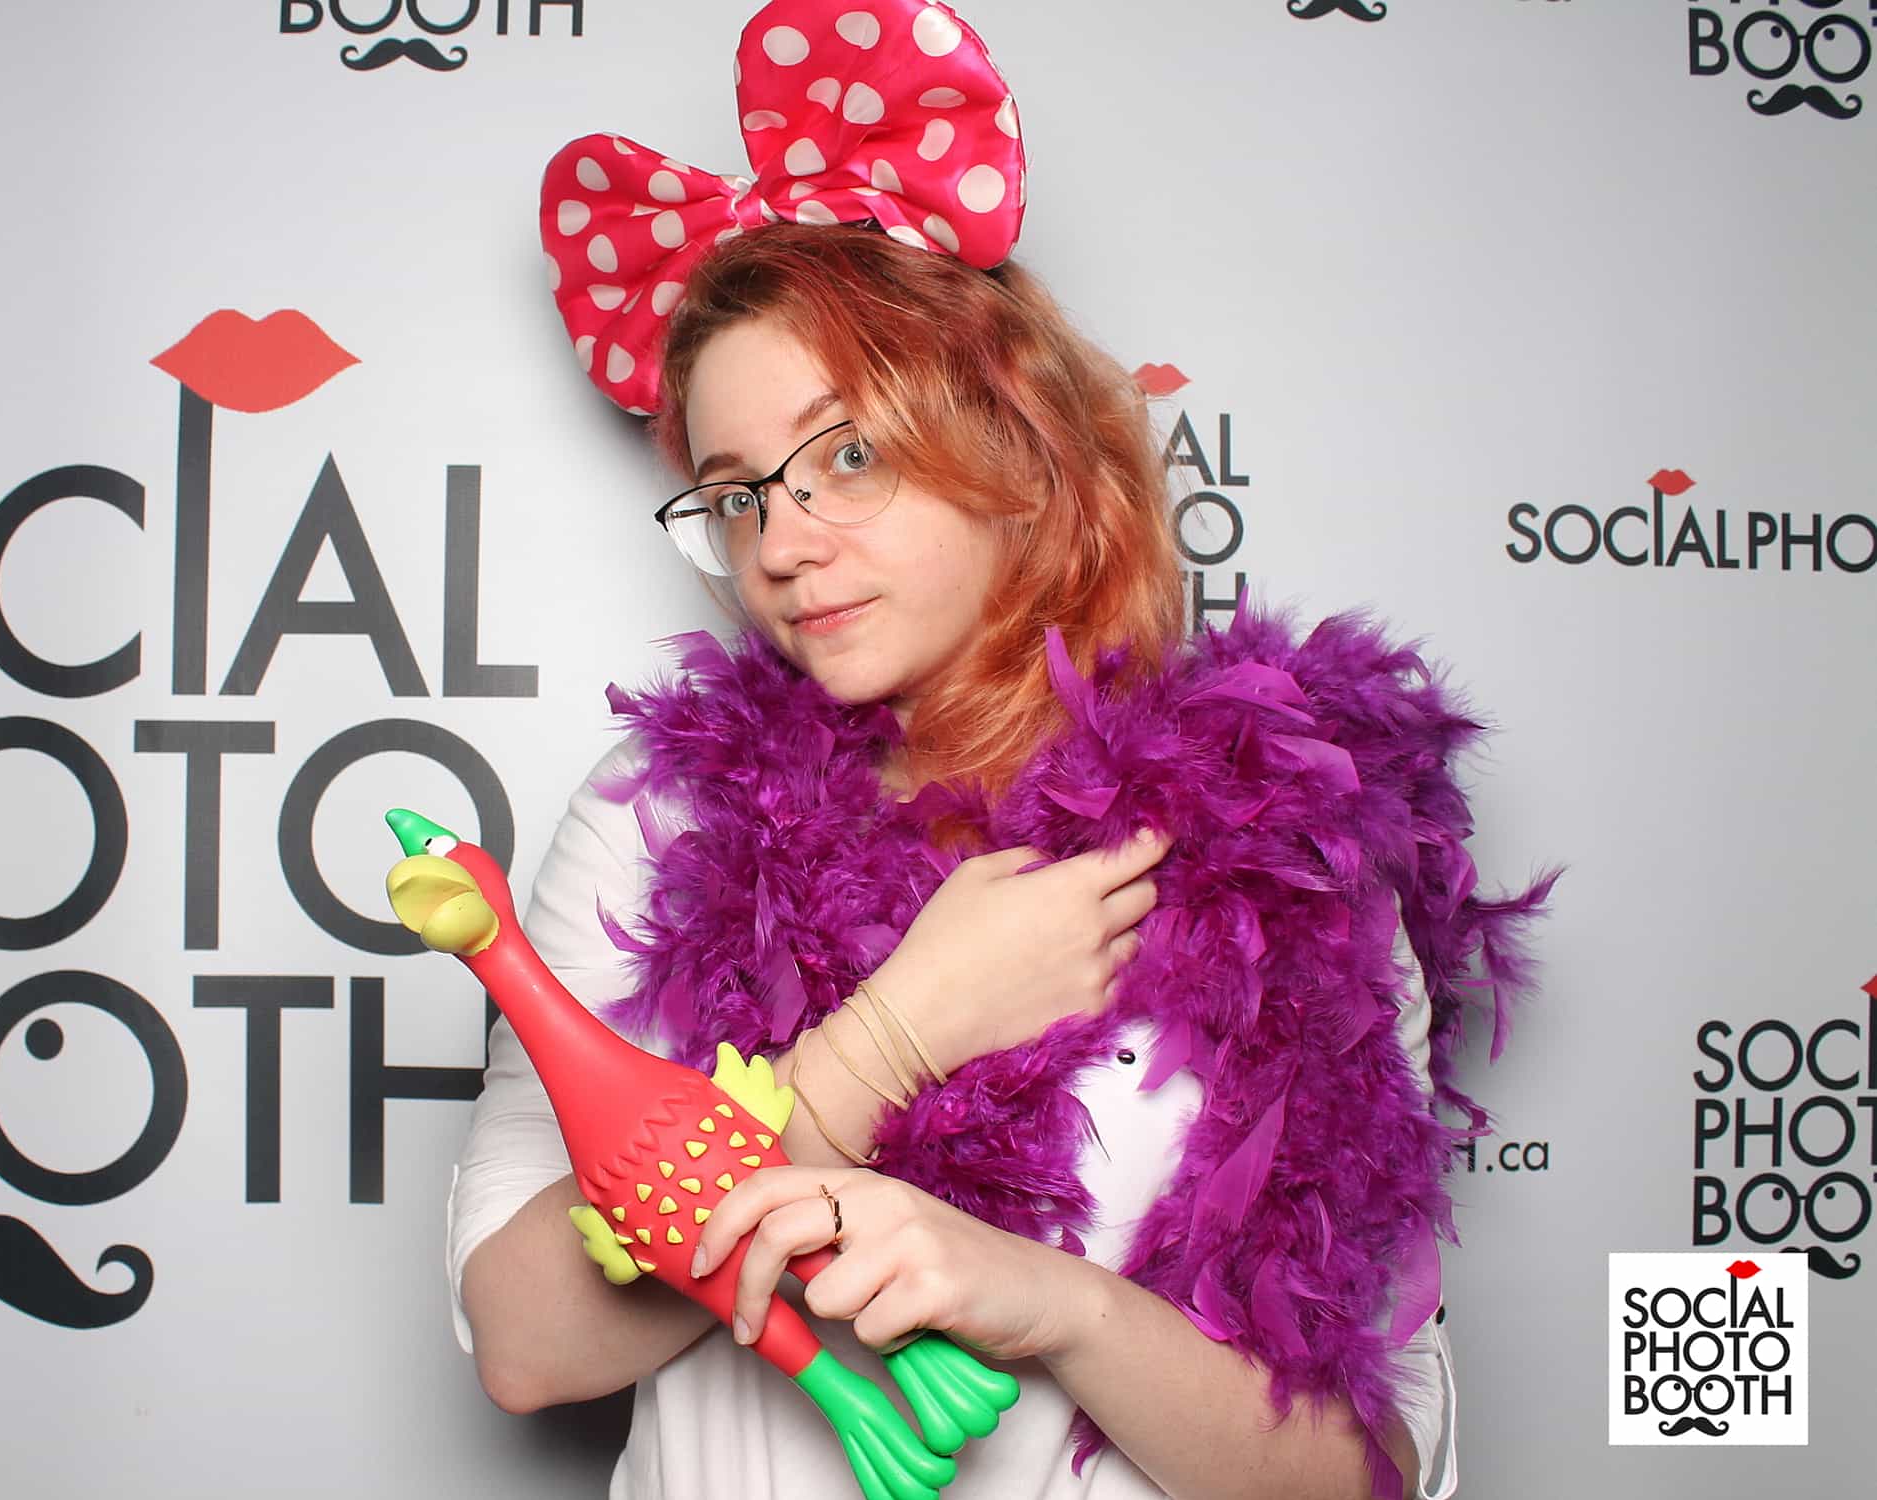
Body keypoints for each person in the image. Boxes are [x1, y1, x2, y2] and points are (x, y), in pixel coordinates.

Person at [445, 2, 1552, 1496]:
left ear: (1014, 437)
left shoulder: (1287, 830)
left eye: (847, 455)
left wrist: (1055, 1307)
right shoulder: (657, 817)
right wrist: (887, 1041)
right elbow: (526, 1342)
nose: (783, 544)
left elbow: (1364, 1476)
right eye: (736, 492)